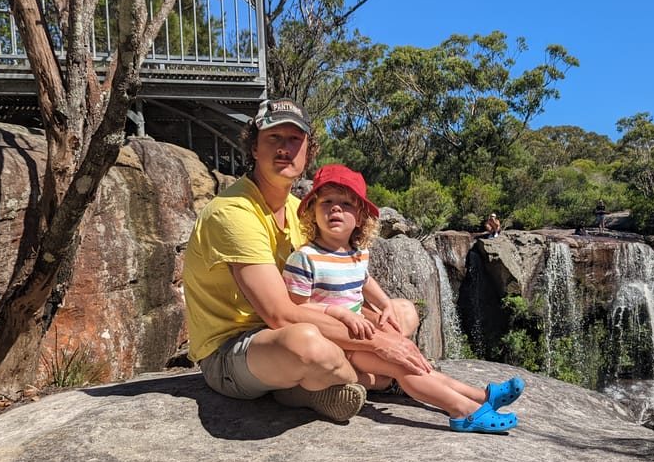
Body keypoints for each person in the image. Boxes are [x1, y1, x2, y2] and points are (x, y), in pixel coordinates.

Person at [182, 97, 431, 423]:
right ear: (255, 148)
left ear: (308, 151)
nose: (284, 148)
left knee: (401, 312)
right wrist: (382, 345)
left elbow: (328, 295)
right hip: (235, 351)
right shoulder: (233, 212)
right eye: (273, 138)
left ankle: (310, 387)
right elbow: (281, 315)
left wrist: (380, 321)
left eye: (294, 139)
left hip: (302, 326)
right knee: (307, 344)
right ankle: (362, 379)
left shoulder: (303, 213)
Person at [284, 164, 524, 433]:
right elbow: (296, 310)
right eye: (326, 201)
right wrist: (337, 313)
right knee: (403, 367)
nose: (335, 208)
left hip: (360, 332)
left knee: (417, 363)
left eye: (345, 203)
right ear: (312, 212)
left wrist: (385, 304)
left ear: (361, 217)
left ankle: (480, 397)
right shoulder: (304, 258)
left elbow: (363, 281)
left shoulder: (356, 253)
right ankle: (463, 411)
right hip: (339, 343)